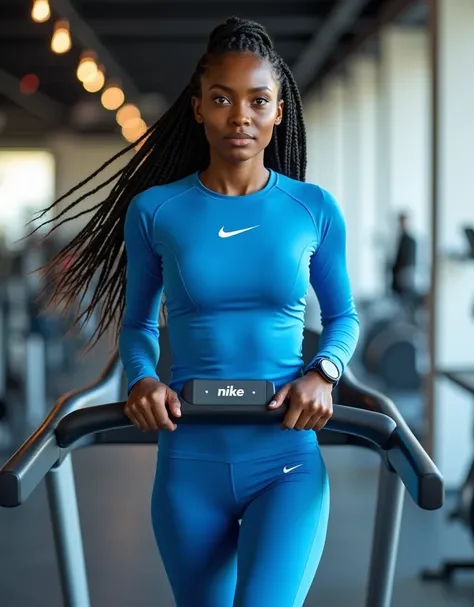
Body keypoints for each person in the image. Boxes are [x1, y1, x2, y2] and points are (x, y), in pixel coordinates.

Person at [34, 17, 359, 607]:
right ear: (198, 109)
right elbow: (137, 326)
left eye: (258, 101)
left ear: (278, 112)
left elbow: (344, 318)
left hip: (285, 459)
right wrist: (142, 379)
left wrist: (325, 372)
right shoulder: (157, 209)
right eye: (222, 100)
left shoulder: (312, 207)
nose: (240, 117)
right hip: (190, 462)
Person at [391, 212, 417, 306]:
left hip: (405, 273)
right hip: (399, 273)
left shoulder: (410, 240)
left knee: (405, 299)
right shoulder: (399, 238)